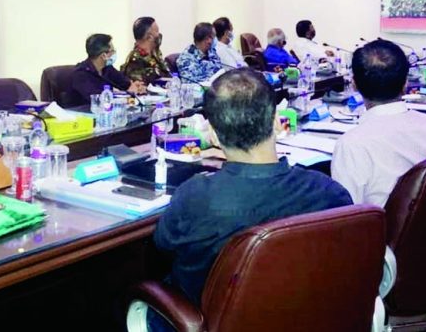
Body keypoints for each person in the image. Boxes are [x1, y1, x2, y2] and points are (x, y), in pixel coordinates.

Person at [151, 69, 352, 330]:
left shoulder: (195, 197)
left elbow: (160, 249)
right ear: (278, 120)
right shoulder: (331, 192)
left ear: (211, 133)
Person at [332, 40, 426, 207]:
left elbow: (346, 218)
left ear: (354, 85)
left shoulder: (352, 145)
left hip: (382, 232)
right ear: (405, 84)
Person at [69, 33, 146, 106]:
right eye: (112, 51)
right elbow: (99, 99)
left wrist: (137, 87)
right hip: (85, 116)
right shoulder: (81, 74)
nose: (114, 53)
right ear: (103, 56)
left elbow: (125, 83)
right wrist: (127, 94)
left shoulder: (107, 68)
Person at [121, 16, 170, 84]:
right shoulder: (136, 60)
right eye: (157, 31)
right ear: (150, 37)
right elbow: (140, 87)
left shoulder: (155, 54)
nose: (159, 35)